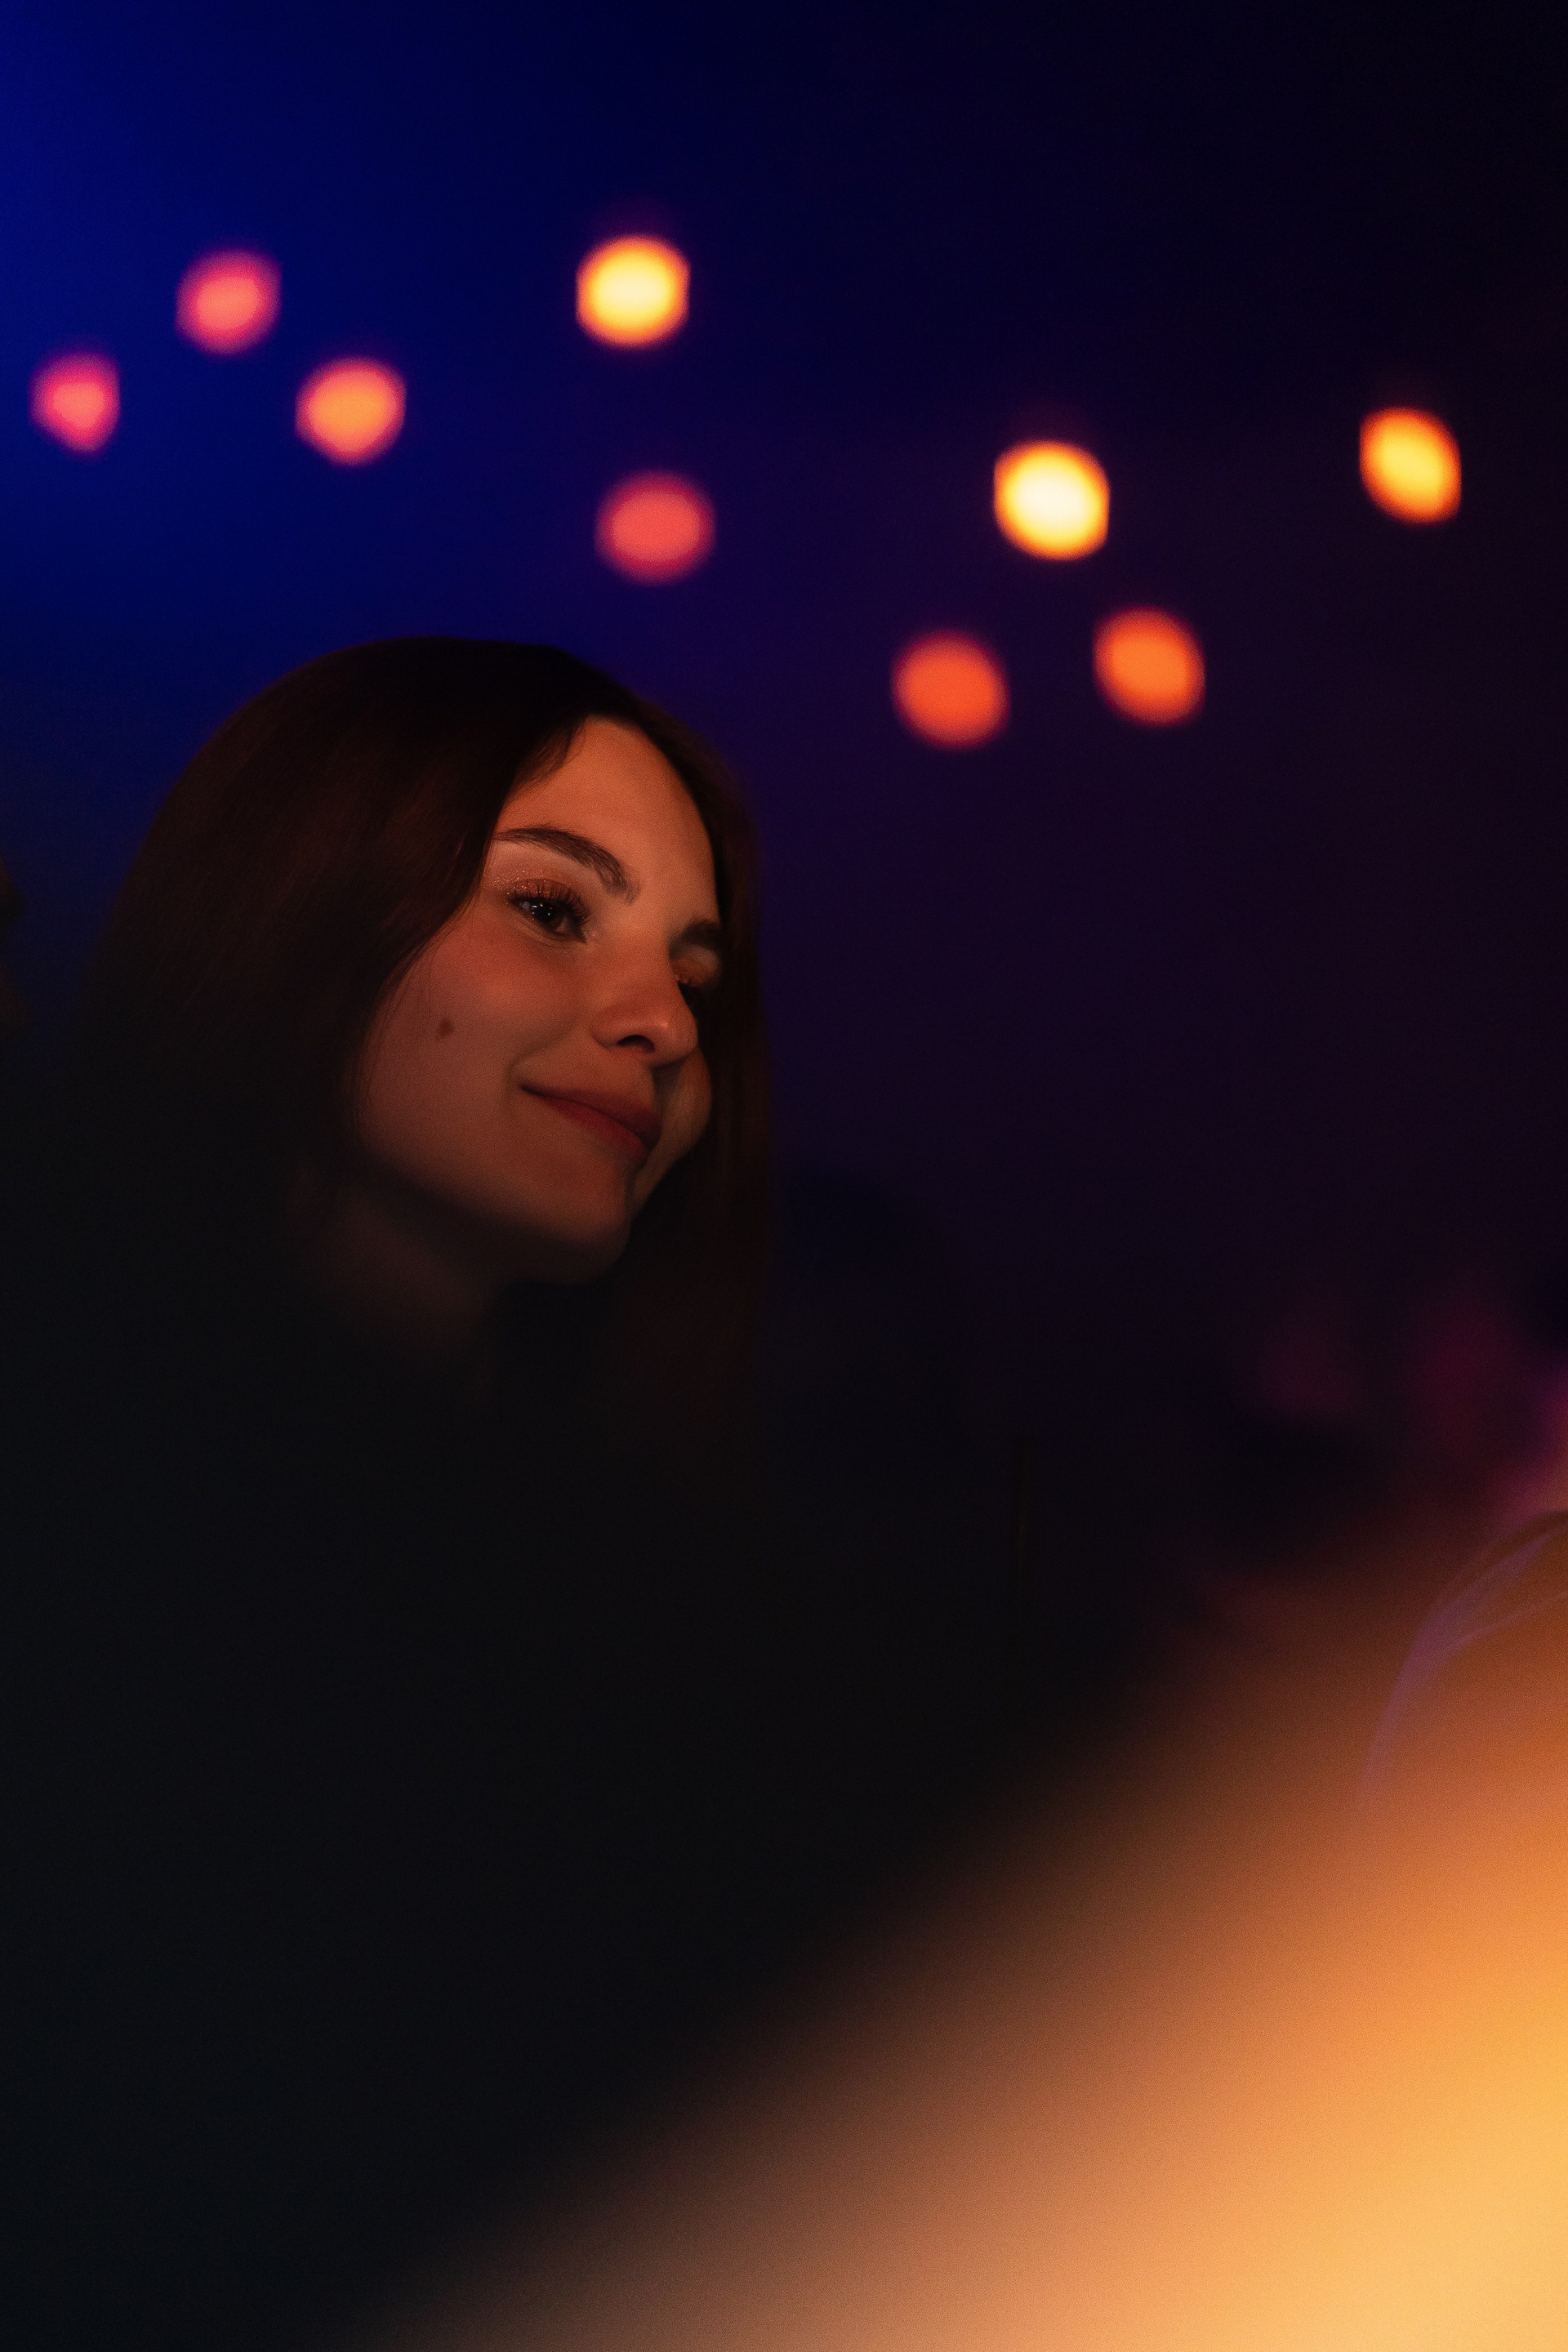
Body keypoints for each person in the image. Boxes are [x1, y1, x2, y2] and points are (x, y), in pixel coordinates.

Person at [0, 639, 995, 2351]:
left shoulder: (688, 1654)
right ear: (296, 903)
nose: (662, 1024)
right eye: (551, 911)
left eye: (698, 978)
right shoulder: (79, 1525)